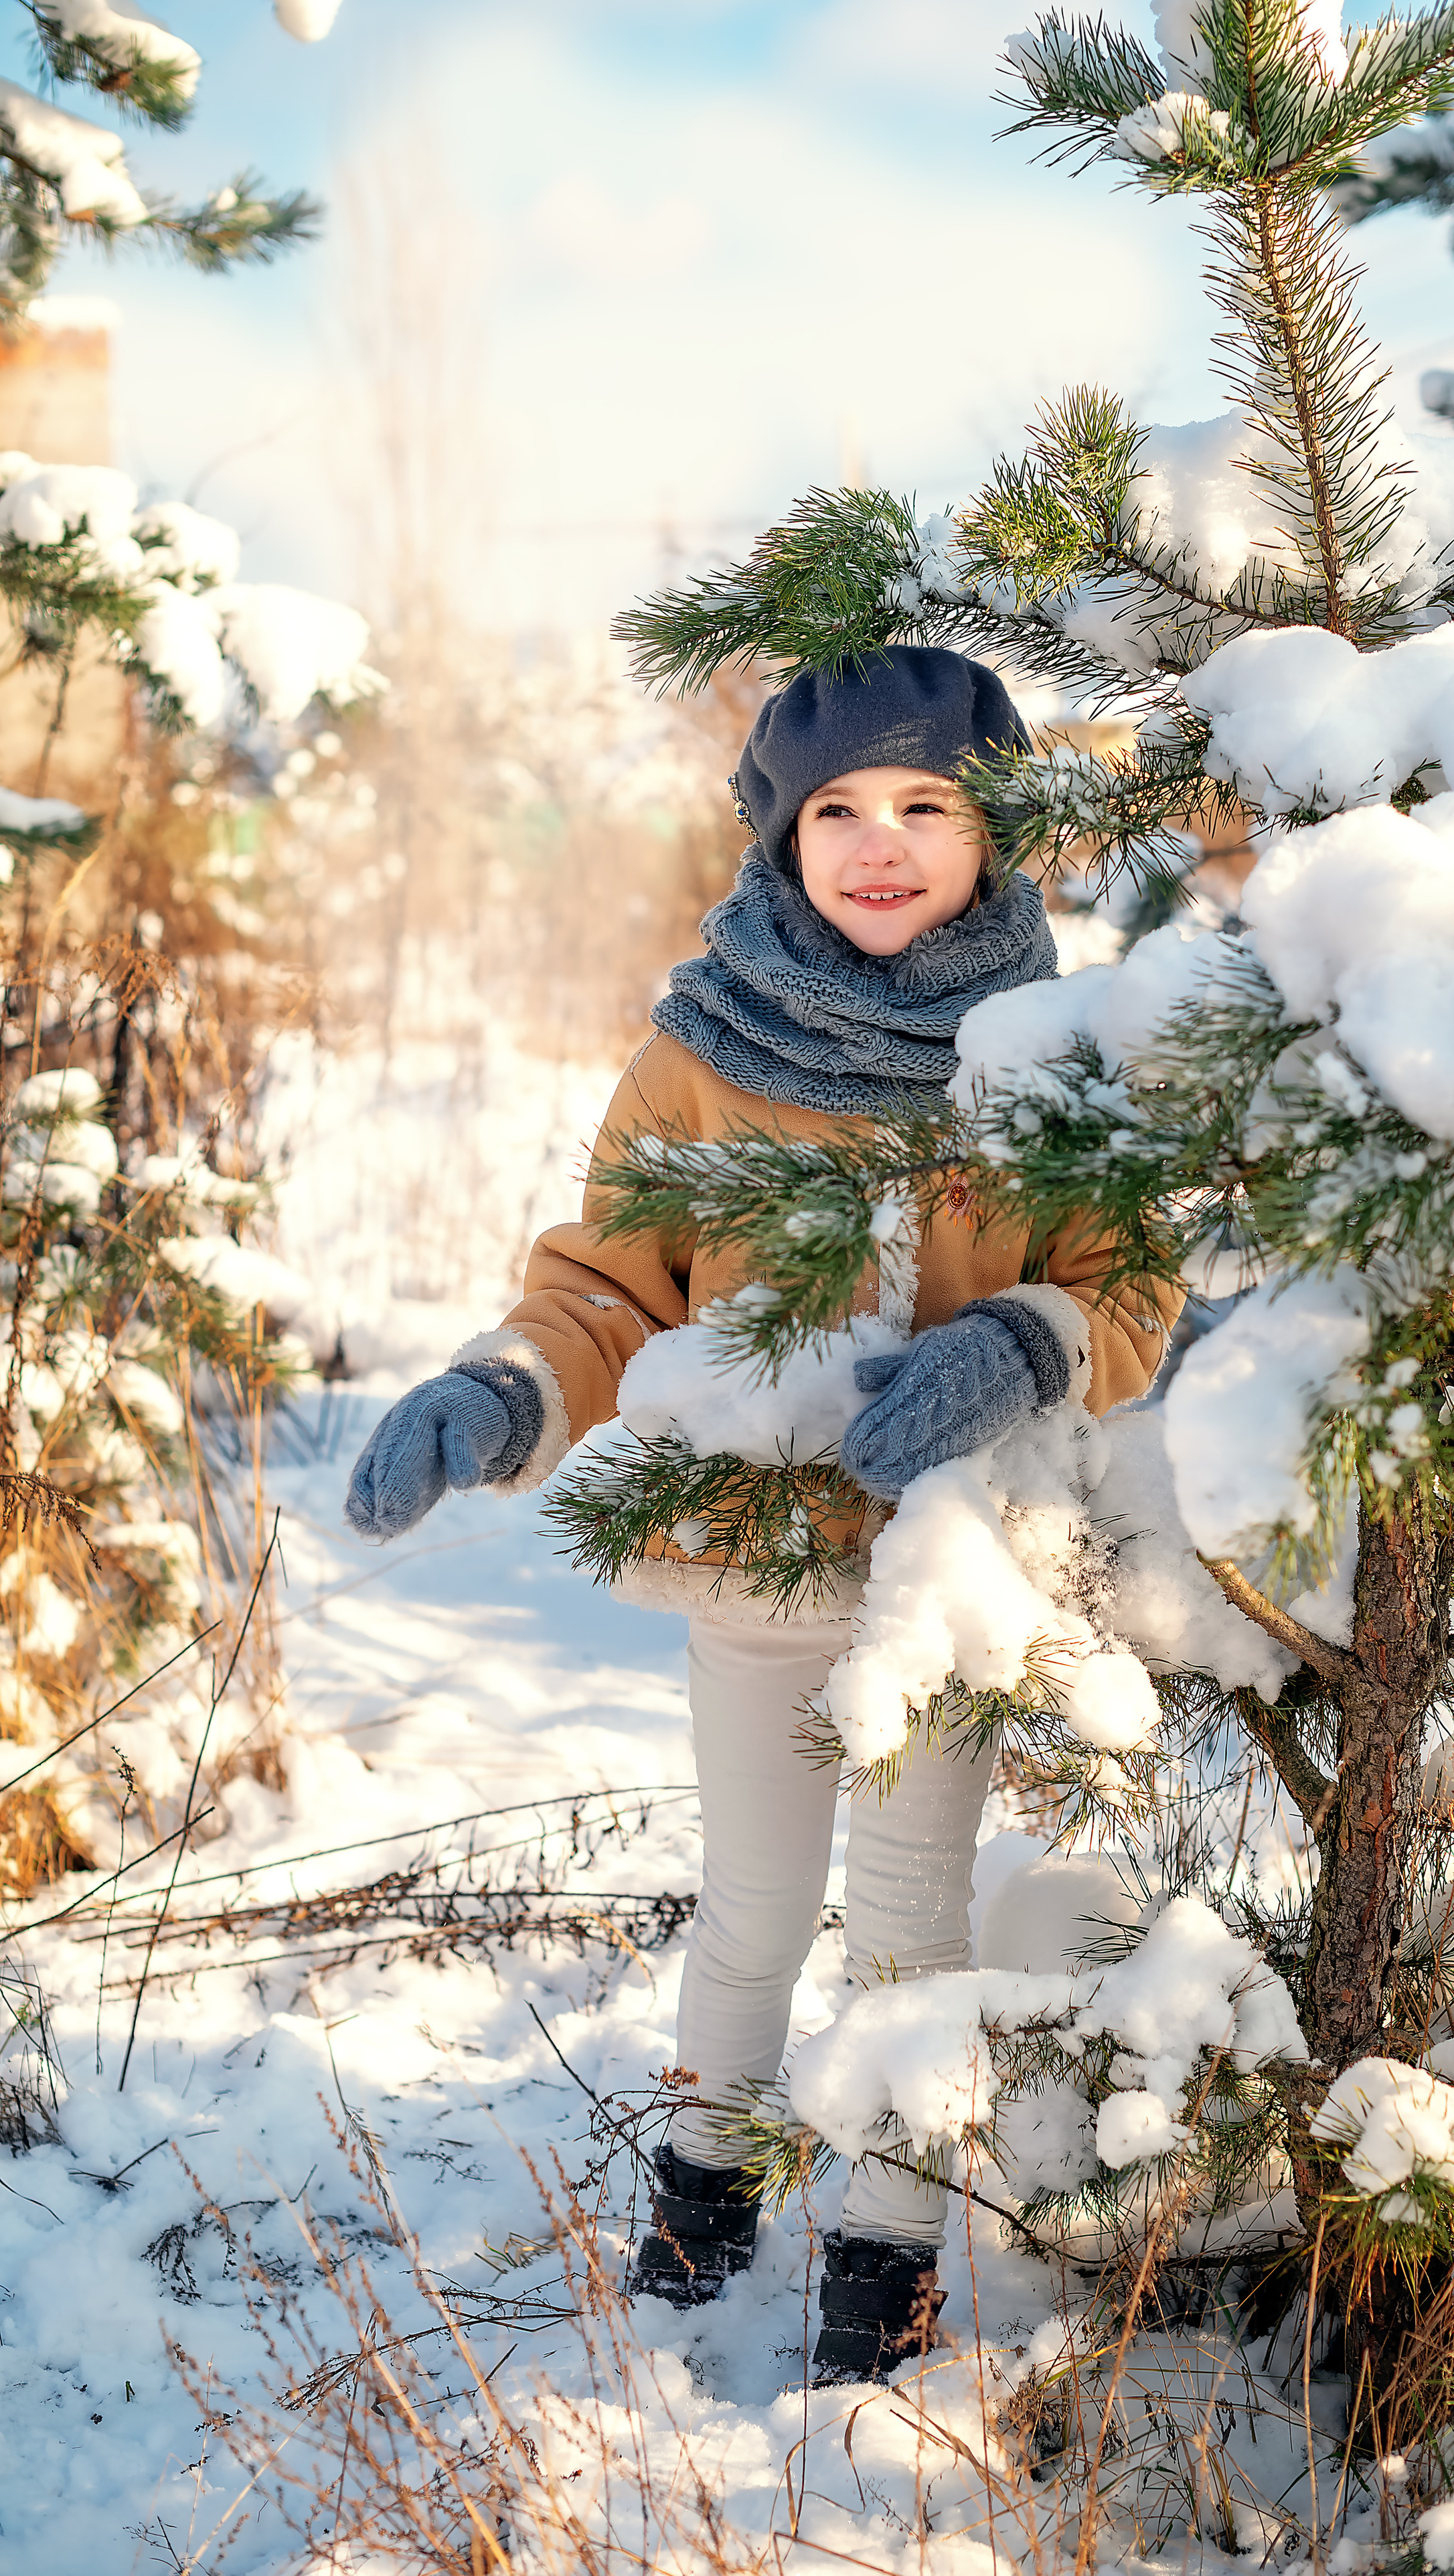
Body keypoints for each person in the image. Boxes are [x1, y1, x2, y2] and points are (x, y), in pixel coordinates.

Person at [343, 648, 1180, 2382]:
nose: (882, 843)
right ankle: (705, 2191)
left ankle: (887, 2248)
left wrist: (1023, 1344)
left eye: (928, 805)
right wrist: (505, 1391)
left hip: (946, 1575)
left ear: (996, 827)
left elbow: (1131, 1286)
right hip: (754, 1568)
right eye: (839, 811)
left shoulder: (1046, 1058)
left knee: (910, 1924)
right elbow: (606, 1283)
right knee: (751, 1903)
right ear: (782, 837)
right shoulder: (702, 1055)